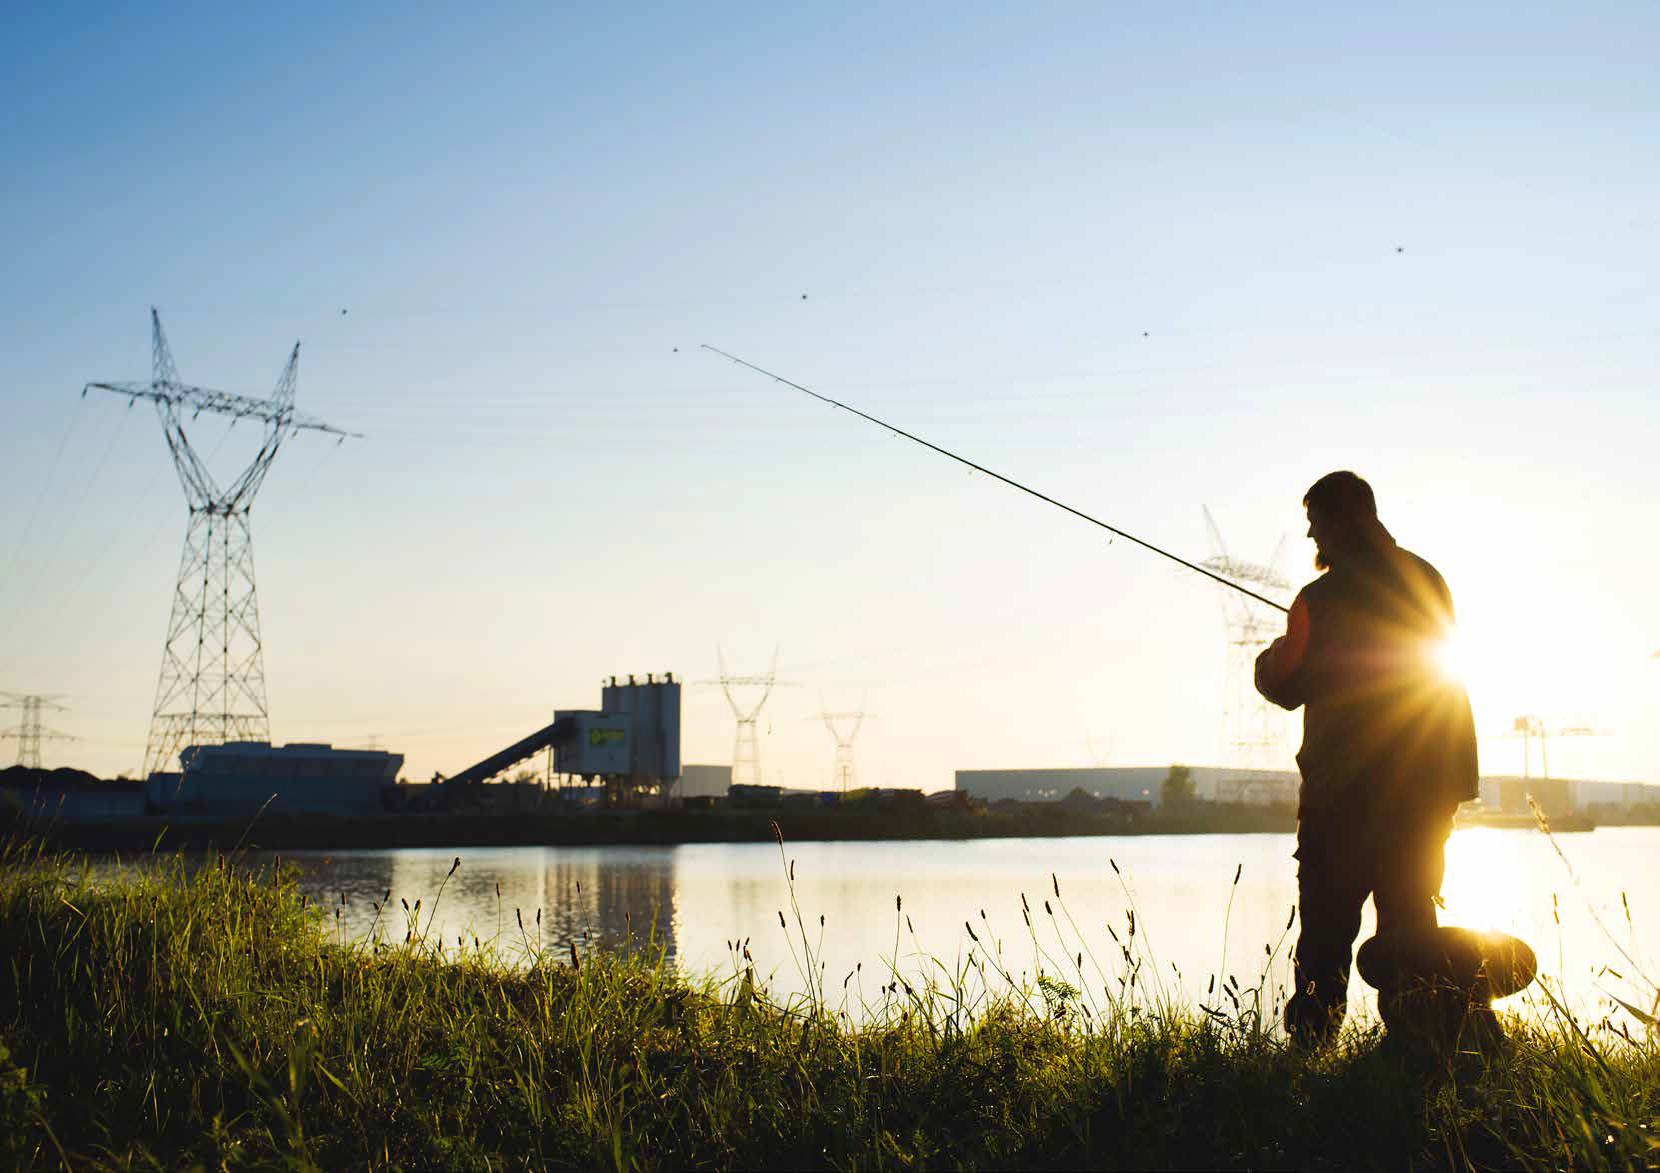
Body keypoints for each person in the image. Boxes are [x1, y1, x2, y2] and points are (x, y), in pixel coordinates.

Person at [1254, 471, 1478, 1046]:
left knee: (1324, 939)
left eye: (1317, 525)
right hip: (1422, 801)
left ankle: (1309, 1061)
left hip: (1342, 804)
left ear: (1345, 520)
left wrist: (1268, 658)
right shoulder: (1428, 579)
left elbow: (1285, 683)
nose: (1312, 540)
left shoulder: (1320, 599)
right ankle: (1421, 1055)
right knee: (1411, 934)